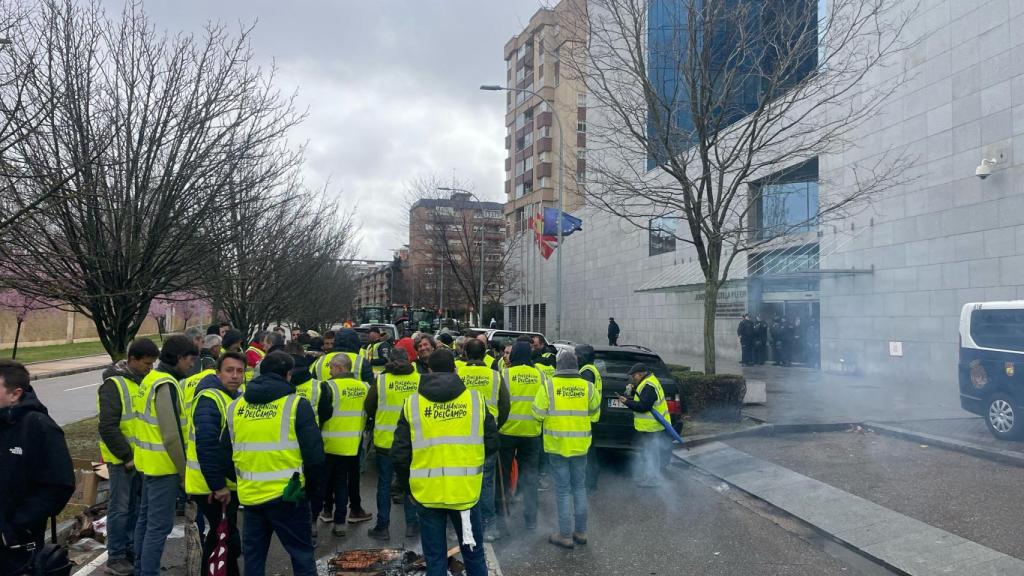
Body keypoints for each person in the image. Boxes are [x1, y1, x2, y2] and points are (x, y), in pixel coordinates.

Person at [392, 348, 498, 576]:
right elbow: (492, 442)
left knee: (435, 558)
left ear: (428, 369)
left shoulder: (412, 403)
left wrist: (406, 487)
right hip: (465, 492)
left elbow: (400, 453)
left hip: (427, 493)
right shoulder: (475, 400)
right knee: (473, 554)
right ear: (455, 368)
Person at [228, 351, 324, 576]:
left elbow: (224, 451)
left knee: (253, 558)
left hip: (250, 496)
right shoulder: (295, 405)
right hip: (289, 496)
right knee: (301, 555)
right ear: (288, 374)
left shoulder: (236, 406)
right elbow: (315, 456)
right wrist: (311, 491)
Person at [0, 361, 75, 576]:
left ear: (15, 394)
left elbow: (60, 485)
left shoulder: (39, 426)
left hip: (17, 547)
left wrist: (15, 526)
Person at [133, 335, 195, 576]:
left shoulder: (151, 378)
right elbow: (171, 435)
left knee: (145, 521)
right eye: (190, 359)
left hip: (147, 464)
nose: (192, 364)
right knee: (158, 527)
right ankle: (148, 572)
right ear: (179, 358)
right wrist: (183, 472)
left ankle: (140, 569)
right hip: (164, 467)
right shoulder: (166, 384)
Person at [98, 339, 159, 576]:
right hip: (121, 460)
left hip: (140, 459)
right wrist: (127, 456)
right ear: (132, 359)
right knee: (120, 508)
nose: (150, 368)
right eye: (146, 363)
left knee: (134, 507)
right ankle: (116, 556)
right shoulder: (113, 385)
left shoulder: (141, 382)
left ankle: (131, 549)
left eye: (152, 364)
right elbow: (108, 427)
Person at [186, 352, 246, 576]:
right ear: (218, 373)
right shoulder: (210, 399)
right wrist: (218, 485)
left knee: (223, 537)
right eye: (229, 370)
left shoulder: (232, 397)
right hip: (209, 485)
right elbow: (207, 446)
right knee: (226, 538)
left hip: (220, 482)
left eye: (240, 371)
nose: (235, 376)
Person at [533, 350, 600, 548]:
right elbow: (595, 413)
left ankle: (565, 535)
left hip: (557, 446)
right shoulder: (587, 387)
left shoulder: (549, 386)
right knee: (579, 488)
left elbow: (537, 413)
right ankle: (581, 532)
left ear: (558, 366)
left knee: (562, 491)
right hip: (580, 446)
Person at [456, 339, 511, 541]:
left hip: (462, 436)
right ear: (484, 354)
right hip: (487, 436)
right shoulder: (495, 376)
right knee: (486, 483)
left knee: (463, 482)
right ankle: (489, 527)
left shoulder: (458, 375)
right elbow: (505, 406)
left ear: (465, 354)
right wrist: (496, 427)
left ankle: (463, 526)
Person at [365, 348, 422, 541]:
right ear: (409, 360)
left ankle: (383, 527)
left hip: (385, 441)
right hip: (411, 442)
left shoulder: (381, 380)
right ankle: (412, 525)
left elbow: (369, 406)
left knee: (384, 485)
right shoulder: (419, 379)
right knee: (410, 484)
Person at [319, 354, 371, 536]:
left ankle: (322, 515)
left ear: (339, 368)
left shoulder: (328, 387)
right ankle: (340, 522)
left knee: (322, 483)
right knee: (342, 483)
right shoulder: (364, 386)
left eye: (332, 367)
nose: (330, 371)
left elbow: (322, 414)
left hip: (329, 444)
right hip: (352, 445)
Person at [497, 341, 545, 533]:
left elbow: (500, 402)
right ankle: (530, 519)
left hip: (507, 431)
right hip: (531, 433)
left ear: (514, 355)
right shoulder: (540, 375)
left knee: (504, 477)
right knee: (530, 477)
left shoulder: (505, 374)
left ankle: (502, 518)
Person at [617, 364, 669, 488]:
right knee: (649, 452)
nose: (633, 378)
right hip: (651, 426)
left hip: (652, 426)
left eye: (634, 376)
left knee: (651, 453)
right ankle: (649, 476)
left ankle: (652, 479)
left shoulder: (649, 385)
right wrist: (634, 389)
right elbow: (645, 399)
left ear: (640, 374)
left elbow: (643, 406)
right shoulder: (648, 382)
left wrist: (626, 402)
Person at [575, 344, 603, 492]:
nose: (575, 357)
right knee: (589, 451)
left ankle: (589, 484)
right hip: (592, 417)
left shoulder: (586, 372)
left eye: (576, 354)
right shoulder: (591, 370)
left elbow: (583, 397)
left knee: (588, 453)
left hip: (587, 418)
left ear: (583, 356)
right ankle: (590, 482)